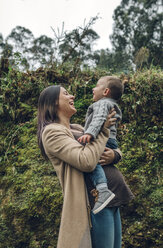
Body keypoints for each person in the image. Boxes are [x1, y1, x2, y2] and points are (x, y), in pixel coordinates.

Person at [37, 85, 118, 248]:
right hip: (92, 203)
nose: (72, 96)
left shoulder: (79, 129)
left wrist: (116, 155)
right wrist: (102, 131)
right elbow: (86, 161)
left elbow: (107, 147)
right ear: (54, 103)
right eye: (66, 94)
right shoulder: (51, 132)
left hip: (111, 200)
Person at [78, 76, 124, 215]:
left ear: (105, 92)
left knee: (94, 161)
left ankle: (102, 189)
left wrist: (91, 133)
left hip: (102, 138)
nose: (93, 88)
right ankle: (103, 189)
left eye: (97, 86)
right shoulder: (111, 104)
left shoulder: (102, 104)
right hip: (110, 140)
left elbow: (99, 119)